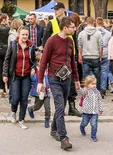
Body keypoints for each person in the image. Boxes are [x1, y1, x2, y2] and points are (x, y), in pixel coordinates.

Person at [37, 16, 80, 151]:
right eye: (72, 27)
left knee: (62, 105)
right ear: (65, 27)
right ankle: (63, 138)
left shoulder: (70, 41)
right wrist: (40, 81)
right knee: (60, 107)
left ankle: (54, 129)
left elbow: (72, 61)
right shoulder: (52, 41)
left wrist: (77, 79)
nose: (74, 29)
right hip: (54, 78)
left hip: (66, 79)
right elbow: (43, 61)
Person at [42, 2, 82, 117]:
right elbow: (45, 41)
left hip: (69, 56)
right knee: (60, 83)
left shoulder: (69, 22)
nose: (55, 11)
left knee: (70, 84)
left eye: (57, 9)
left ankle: (72, 107)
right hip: (56, 59)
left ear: (63, 10)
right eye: (54, 9)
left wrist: (75, 54)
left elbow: (74, 38)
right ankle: (61, 109)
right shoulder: (52, 23)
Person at [3, 26, 37, 129]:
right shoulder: (13, 45)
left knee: (24, 98)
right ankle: (13, 111)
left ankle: (21, 119)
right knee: (15, 98)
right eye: (23, 34)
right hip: (15, 75)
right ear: (19, 35)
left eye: (26, 34)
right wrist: (5, 74)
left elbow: (34, 60)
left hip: (26, 76)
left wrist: (33, 68)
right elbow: (7, 60)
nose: (25, 36)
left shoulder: (31, 46)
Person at [78, 17, 103, 94]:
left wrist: (80, 55)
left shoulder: (81, 33)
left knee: (85, 76)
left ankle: (86, 92)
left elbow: (80, 46)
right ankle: (97, 92)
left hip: (85, 56)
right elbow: (101, 46)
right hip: (95, 56)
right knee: (97, 76)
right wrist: (100, 56)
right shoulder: (98, 33)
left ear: (86, 22)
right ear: (94, 22)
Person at [28, 52, 51, 128]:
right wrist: (32, 75)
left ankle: (47, 120)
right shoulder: (35, 70)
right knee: (38, 106)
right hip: (39, 92)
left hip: (46, 92)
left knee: (47, 108)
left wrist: (50, 87)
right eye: (42, 61)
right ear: (37, 62)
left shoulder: (47, 70)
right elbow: (33, 80)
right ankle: (31, 109)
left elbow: (49, 80)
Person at [78, 75, 104, 142]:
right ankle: (82, 127)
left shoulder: (97, 92)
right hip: (86, 112)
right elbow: (80, 92)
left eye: (95, 84)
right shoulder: (85, 90)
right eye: (92, 84)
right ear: (87, 84)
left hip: (94, 112)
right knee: (84, 123)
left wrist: (100, 109)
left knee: (94, 124)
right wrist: (78, 88)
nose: (94, 85)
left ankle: (93, 136)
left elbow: (99, 100)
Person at [0, 13, 11, 98]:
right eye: (7, 19)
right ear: (4, 19)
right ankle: (9, 88)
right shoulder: (8, 29)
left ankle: (2, 89)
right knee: (8, 69)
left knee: (0, 70)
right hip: (6, 50)